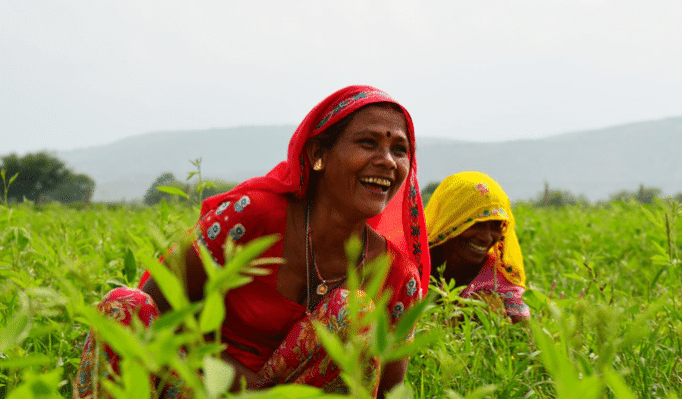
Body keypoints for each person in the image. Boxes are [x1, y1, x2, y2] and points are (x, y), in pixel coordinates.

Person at [74, 85, 431, 398]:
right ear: (318, 154)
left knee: (354, 311)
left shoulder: (397, 277)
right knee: (124, 306)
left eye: (399, 150)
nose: (386, 161)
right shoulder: (254, 216)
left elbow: (387, 393)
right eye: (367, 143)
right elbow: (155, 304)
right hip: (200, 386)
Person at [425, 171, 529, 323]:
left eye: (495, 226)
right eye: (476, 224)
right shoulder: (412, 267)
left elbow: (526, 332)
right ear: (449, 221)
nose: (487, 237)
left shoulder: (499, 283)